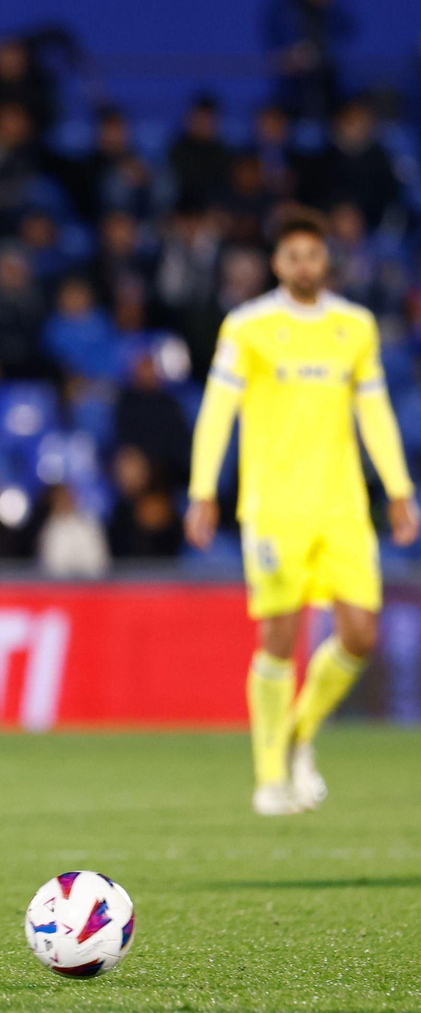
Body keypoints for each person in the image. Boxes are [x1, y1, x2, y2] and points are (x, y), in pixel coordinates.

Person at [185, 207, 418, 816]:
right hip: (275, 507)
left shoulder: (355, 326)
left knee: (360, 633)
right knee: (281, 637)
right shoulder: (248, 326)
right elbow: (217, 411)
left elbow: (374, 412)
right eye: (293, 256)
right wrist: (204, 488)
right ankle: (268, 777)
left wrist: (397, 488)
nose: (305, 265)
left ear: (326, 261)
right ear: (277, 263)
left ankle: (296, 732)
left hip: (342, 505)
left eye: (314, 255)